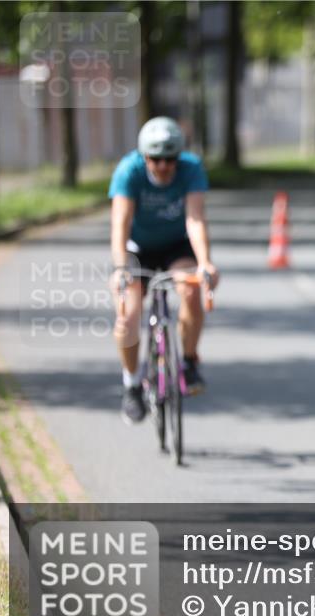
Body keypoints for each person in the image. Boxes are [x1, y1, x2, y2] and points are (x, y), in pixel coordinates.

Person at [108, 117, 218, 424]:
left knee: (191, 289)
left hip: (175, 246)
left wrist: (205, 261)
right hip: (137, 249)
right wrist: (120, 268)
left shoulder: (191, 168)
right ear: (144, 156)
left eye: (170, 159)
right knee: (127, 317)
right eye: (156, 159)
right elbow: (120, 223)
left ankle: (189, 361)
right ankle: (132, 384)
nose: (164, 166)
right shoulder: (129, 171)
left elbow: (195, 219)